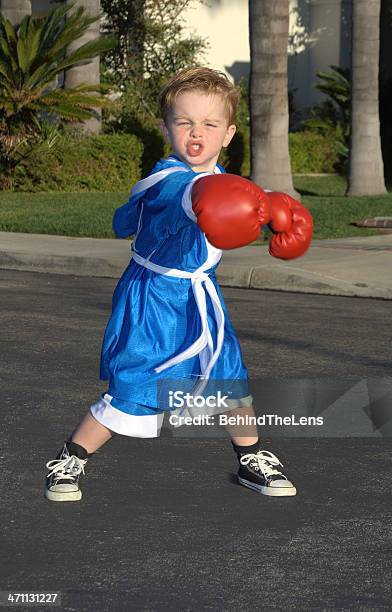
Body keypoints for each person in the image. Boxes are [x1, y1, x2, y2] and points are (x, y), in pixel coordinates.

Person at [44, 67, 313, 502]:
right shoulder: (168, 183)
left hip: (200, 297)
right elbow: (189, 199)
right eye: (184, 122)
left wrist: (268, 209)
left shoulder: (221, 179)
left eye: (208, 124)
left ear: (227, 134)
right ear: (167, 127)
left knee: (229, 379)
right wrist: (211, 199)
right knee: (135, 385)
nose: (195, 133)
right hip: (153, 300)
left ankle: (252, 458)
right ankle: (70, 457)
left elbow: (225, 204)